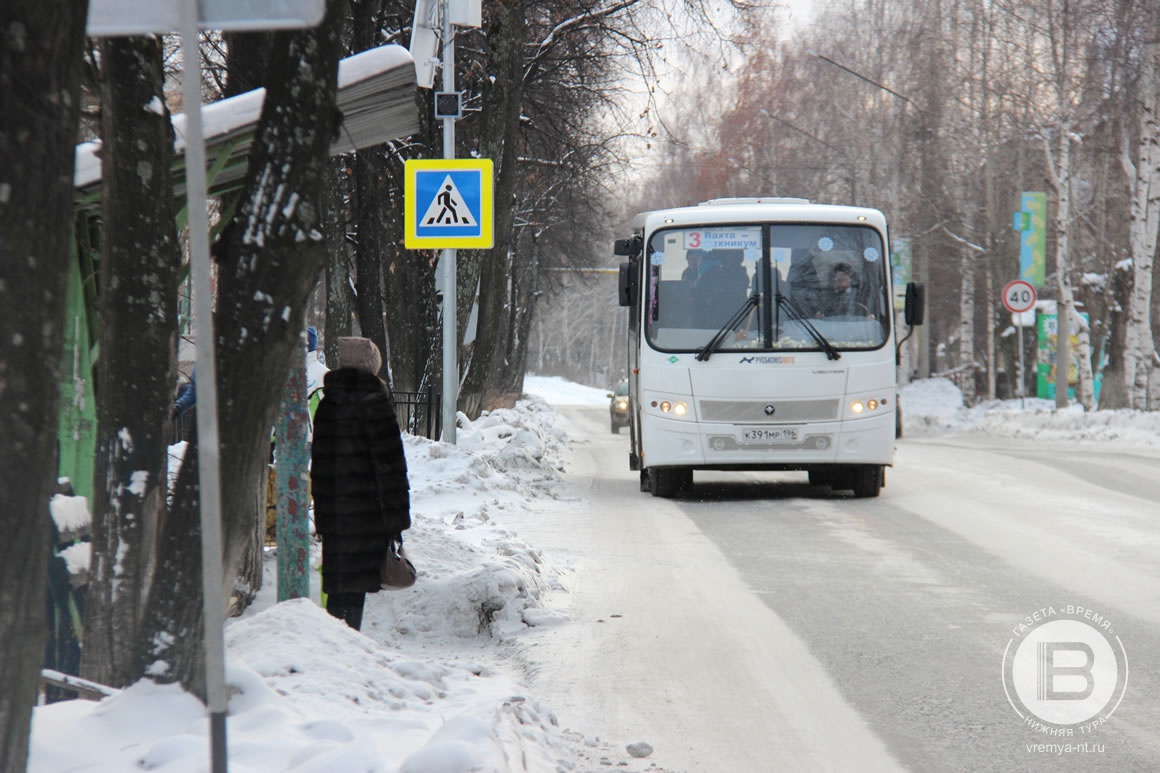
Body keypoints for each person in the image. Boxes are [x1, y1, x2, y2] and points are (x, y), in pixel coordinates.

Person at [310, 336, 411, 631]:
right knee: (355, 592)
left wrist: (323, 516)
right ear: (371, 366)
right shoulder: (376, 405)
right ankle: (348, 644)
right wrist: (396, 522)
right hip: (368, 518)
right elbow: (392, 469)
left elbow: (320, 466)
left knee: (338, 587)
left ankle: (334, 644)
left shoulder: (329, 405)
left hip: (336, 516)